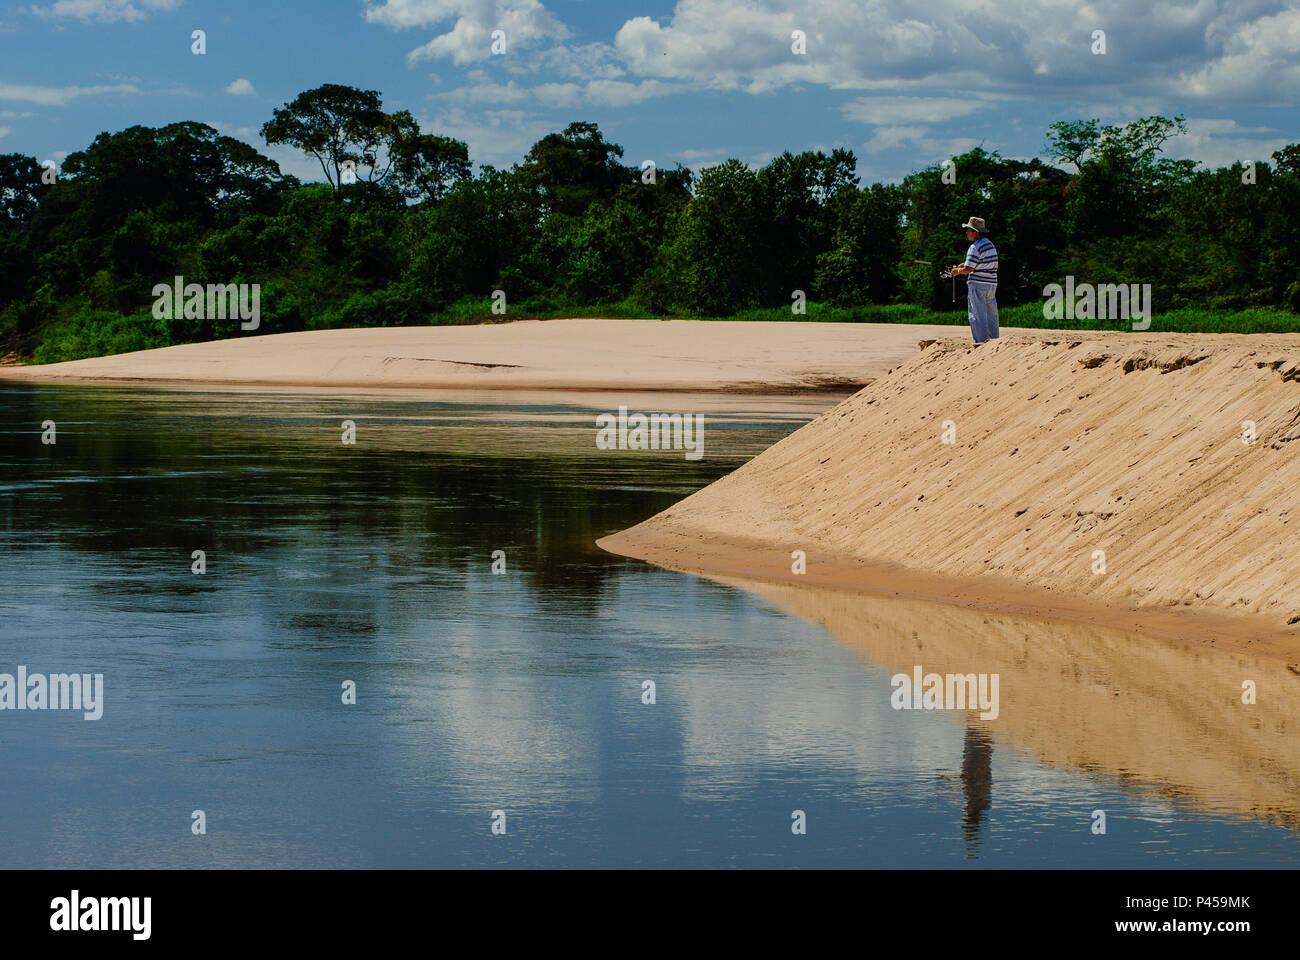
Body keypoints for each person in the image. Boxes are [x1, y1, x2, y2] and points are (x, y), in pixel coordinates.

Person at [950, 217, 999, 344]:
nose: (967, 233)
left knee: (977, 315)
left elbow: (969, 269)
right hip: (992, 285)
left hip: (978, 285)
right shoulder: (990, 245)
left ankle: (981, 342)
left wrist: (958, 271)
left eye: (968, 230)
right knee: (991, 315)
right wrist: (964, 265)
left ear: (975, 232)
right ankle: (995, 341)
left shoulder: (975, 247)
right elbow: (981, 263)